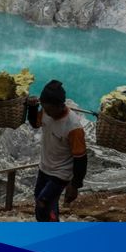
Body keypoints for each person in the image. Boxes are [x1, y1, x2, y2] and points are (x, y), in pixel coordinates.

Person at [26, 80, 87, 222]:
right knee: (41, 199)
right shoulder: (47, 112)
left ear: (60, 105)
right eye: (44, 108)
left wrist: (75, 185)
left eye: (49, 109)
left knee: (42, 203)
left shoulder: (73, 127)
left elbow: (81, 158)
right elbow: (35, 123)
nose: (46, 112)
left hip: (61, 173)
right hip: (45, 167)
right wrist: (33, 108)